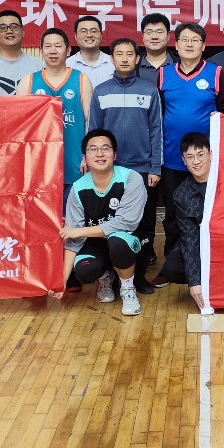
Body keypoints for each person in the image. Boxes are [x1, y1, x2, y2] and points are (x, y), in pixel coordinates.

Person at [153, 23, 224, 287]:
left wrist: (222, 116)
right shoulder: (163, 74)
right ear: (175, 45)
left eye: (195, 40)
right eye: (184, 39)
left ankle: (214, 264)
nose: (189, 44)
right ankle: (172, 265)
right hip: (173, 159)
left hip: (207, 162)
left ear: (203, 45)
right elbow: (157, 115)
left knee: (211, 213)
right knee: (173, 215)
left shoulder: (216, 73)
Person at [89, 38, 164, 294]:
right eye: (119, 54)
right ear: (111, 59)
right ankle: (111, 277)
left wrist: (155, 167)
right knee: (110, 223)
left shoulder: (149, 90)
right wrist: (95, 166)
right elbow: (94, 132)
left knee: (144, 225)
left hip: (142, 170)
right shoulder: (101, 91)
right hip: (109, 171)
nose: (124, 58)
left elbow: (156, 130)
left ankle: (138, 276)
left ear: (137, 58)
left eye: (129, 54)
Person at [52, 130, 148, 317]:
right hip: (95, 242)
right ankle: (106, 278)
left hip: (127, 240)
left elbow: (125, 223)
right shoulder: (78, 188)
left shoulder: (131, 178)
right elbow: (72, 239)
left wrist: (80, 231)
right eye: (93, 149)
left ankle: (128, 288)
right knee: (84, 269)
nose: (99, 154)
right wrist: (61, 281)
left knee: (118, 242)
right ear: (85, 157)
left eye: (105, 148)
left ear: (115, 154)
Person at [18, 28, 93, 200]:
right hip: (39, 165)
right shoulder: (28, 82)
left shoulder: (81, 80)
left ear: (68, 50)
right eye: (48, 46)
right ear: (41, 50)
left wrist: (87, 156)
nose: (53, 51)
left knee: (73, 214)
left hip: (74, 164)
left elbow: (90, 124)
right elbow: (21, 128)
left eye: (58, 46)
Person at [171, 132, 212, 310]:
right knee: (172, 267)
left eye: (200, 154)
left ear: (210, 154)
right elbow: (190, 238)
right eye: (190, 157)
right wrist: (194, 282)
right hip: (204, 244)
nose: (196, 161)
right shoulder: (181, 194)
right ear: (184, 160)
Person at [0, 9, 42, 96]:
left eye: (14, 27)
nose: (9, 31)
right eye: (3, 28)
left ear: (22, 32)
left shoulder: (39, 66)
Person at [67, 15, 114, 88]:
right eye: (83, 31)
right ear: (75, 36)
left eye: (94, 31)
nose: (89, 35)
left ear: (101, 35)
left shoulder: (114, 64)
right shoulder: (66, 65)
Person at [137, 13, 176, 87]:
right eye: (149, 32)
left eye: (159, 32)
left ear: (168, 35)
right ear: (142, 36)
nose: (154, 37)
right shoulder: (133, 65)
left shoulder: (180, 64)